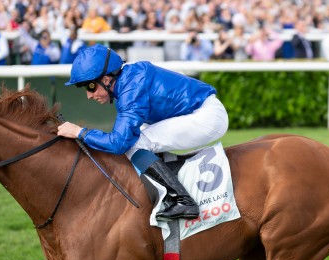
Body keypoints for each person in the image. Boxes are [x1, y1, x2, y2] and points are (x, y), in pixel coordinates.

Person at [56, 45, 229, 220]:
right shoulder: (128, 82)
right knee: (139, 138)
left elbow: (118, 143)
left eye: (90, 86)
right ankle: (167, 188)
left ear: (107, 79)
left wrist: (80, 132)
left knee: (135, 145)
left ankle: (183, 201)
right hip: (199, 111)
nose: (89, 95)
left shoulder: (132, 89)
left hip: (206, 116)